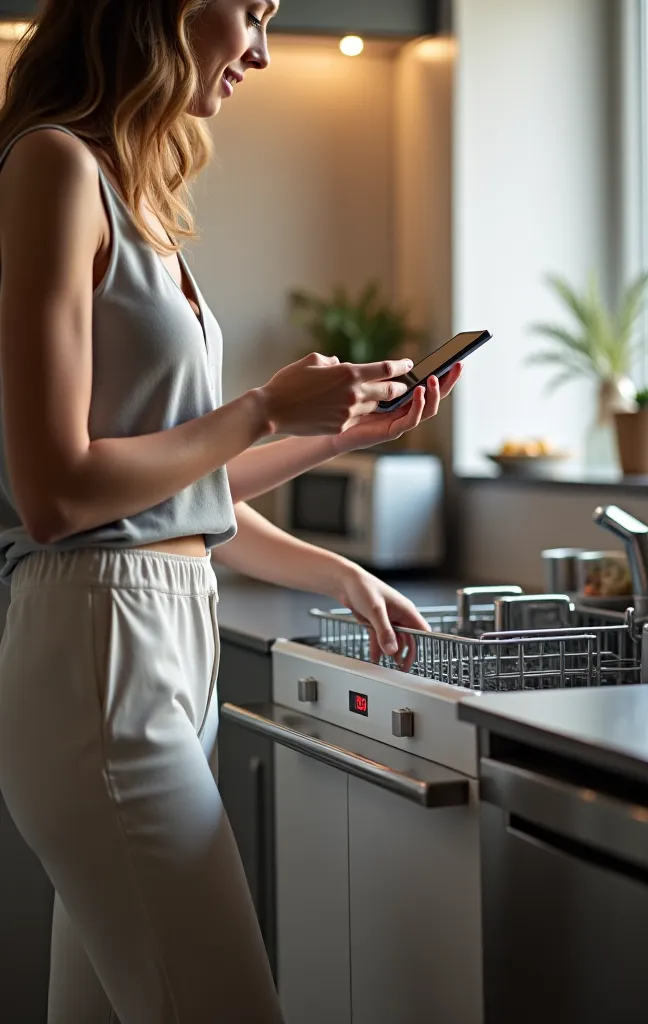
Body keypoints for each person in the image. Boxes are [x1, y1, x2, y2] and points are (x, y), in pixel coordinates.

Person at [0, 2, 461, 1022]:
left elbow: (164, 491)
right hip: (99, 653)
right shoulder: (53, 168)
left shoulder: (137, 197)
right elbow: (57, 493)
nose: (258, 48)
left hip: (154, 638)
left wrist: (330, 443)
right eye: (249, 11)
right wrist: (259, 409)